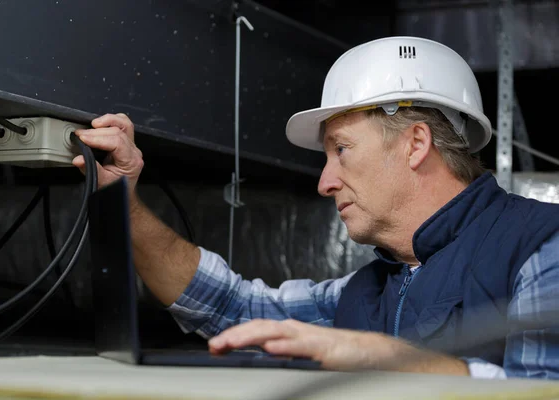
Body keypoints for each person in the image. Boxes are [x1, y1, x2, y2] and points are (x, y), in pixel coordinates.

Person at [73, 36, 559, 379]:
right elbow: (236, 309)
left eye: (341, 149)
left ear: (415, 143)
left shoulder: (541, 248)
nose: (325, 182)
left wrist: (382, 357)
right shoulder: (369, 289)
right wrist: (122, 199)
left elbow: (542, 391)